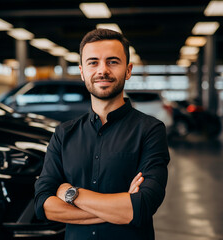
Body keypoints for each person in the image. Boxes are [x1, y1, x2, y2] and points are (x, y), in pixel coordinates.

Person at [34, 28, 170, 240]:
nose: (102, 70)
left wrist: (71, 193)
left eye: (113, 62)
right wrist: (119, 209)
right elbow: (44, 205)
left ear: (128, 70)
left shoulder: (150, 130)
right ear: (82, 71)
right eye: (93, 62)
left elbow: (142, 206)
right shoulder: (63, 133)